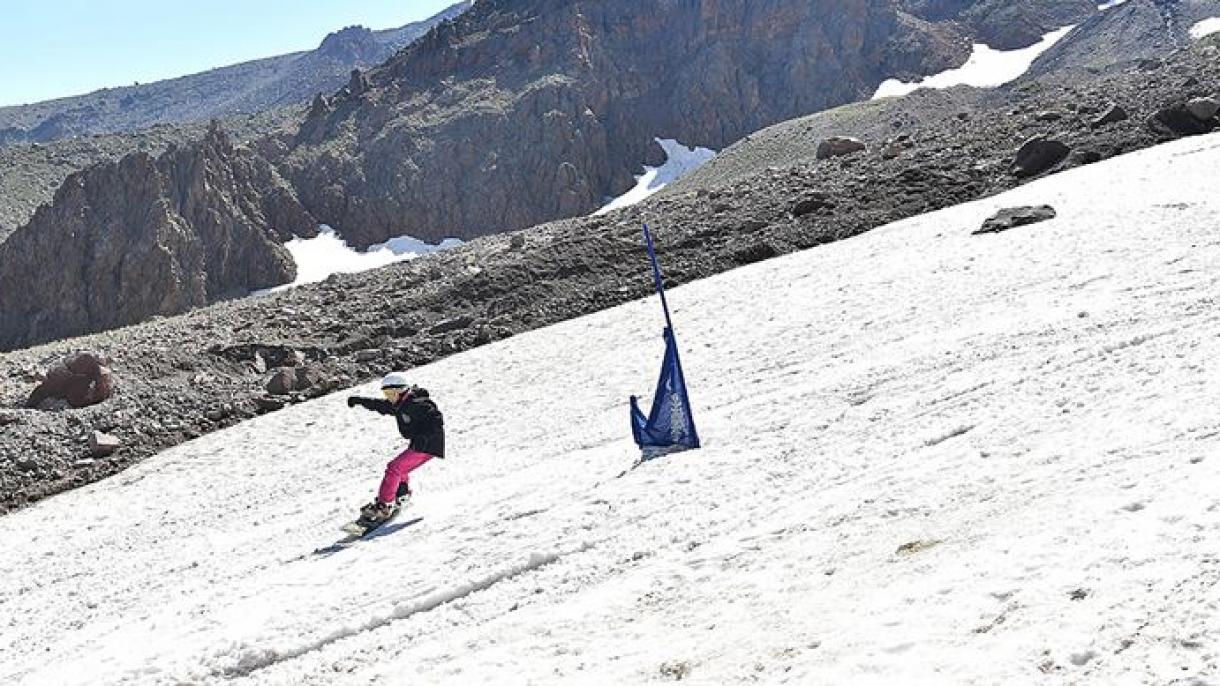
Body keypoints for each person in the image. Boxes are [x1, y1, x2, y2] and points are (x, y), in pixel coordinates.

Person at [346, 372, 445, 527]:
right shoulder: (400, 404)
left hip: (428, 445)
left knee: (394, 468)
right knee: (401, 468)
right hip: (420, 444)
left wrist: (427, 435)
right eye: (386, 393)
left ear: (402, 390)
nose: (390, 397)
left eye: (392, 393)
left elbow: (435, 416)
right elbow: (379, 405)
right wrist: (359, 400)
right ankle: (403, 494)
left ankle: (384, 506)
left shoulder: (416, 403)